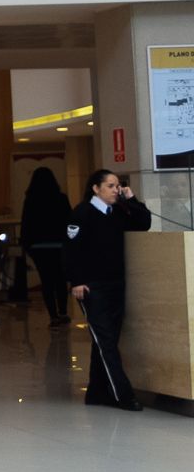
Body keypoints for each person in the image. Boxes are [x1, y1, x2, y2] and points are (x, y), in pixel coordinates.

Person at [62, 169, 153, 410]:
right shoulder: (83, 212)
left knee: (106, 340)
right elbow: (71, 249)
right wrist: (76, 281)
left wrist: (131, 199)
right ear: (96, 188)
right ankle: (122, 395)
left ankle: (97, 392)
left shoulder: (117, 212)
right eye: (110, 186)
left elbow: (143, 223)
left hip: (115, 284)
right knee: (106, 342)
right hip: (92, 287)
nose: (116, 190)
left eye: (117, 186)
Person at [19, 167, 74, 327]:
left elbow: (26, 224)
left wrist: (27, 245)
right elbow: (69, 220)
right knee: (60, 279)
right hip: (59, 245)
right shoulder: (61, 198)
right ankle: (63, 311)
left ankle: (53, 315)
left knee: (47, 281)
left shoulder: (31, 200)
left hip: (39, 248)